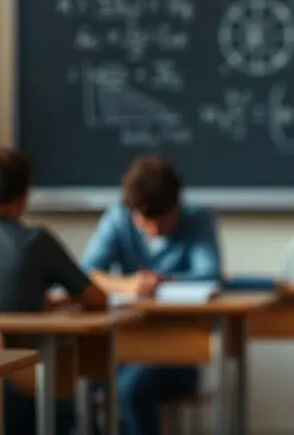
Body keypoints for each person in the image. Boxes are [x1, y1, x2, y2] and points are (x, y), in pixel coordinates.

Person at [81, 154, 223, 435]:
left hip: (178, 352)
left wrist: (160, 282)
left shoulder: (198, 218)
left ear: (177, 205)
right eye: (145, 222)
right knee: (83, 379)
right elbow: (86, 274)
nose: (154, 230)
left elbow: (210, 275)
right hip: (123, 345)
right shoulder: (118, 218)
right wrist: (128, 284)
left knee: (131, 386)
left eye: (163, 221)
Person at [0, 147, 106, 435]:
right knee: (80, 407)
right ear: (23, 198)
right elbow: (96, 297)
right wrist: (61, 302)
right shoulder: (35, 242)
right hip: (24, 391)